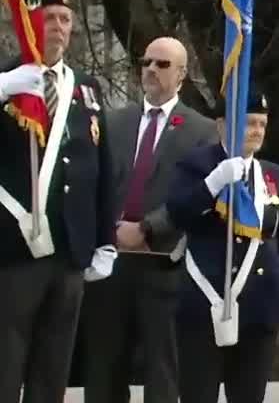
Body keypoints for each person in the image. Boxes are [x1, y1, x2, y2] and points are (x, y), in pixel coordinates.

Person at [82, 36, 219, 403]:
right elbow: (93, 180)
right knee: (104, 366)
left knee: (162, 370)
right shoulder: (113, 121)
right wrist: (110, 228)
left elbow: (197, 195)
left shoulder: (201, 131)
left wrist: (147, 228)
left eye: (162, 65)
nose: (151, 71)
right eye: (146, 62)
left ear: (182, 75)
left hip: (163, 264)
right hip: (111, 262)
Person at [0, 0, 116, 403]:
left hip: (70, 249)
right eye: (49, 17)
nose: (59, 27)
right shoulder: (8, 80)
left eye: (65, 20)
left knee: (53, 368)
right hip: (15, 251)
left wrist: (105, 240)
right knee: (6, 362)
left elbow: (101, 169)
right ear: (31, 22)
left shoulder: (87, 89)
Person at [166, 90, 279, 403]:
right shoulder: (197, 164)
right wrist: (212, 184)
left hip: (260, 301)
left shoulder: (274, 175)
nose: (257, 131)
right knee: (197, 393)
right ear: (222, 126)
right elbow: (178, 212)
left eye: (262, 124)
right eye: (249, 123)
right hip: (205, 299)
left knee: (249, 394)